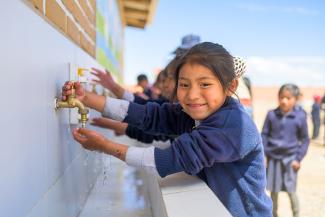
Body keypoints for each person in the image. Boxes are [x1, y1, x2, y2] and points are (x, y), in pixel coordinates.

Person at [61, 42, 272, 217]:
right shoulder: (195, 113)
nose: (192, 95)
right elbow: (150, 115)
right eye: (184, 84)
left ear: (230, 87)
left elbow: (170, 160)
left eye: (205, 84)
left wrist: (104, 146)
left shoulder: (232, 124)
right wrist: (87, 98)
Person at [261, 84, 310, 217]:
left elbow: (305, 140)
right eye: (281, 97)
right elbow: (264, 135)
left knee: (291, 190)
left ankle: (296, 214)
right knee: (273, 191)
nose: (284, 101)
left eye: (288, 98)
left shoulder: (299, 117)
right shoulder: (271, 115)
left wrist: (298, 158)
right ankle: (273, 214)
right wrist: (264, 155)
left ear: (295, 99)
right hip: (273, 159)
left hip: (290, 159)